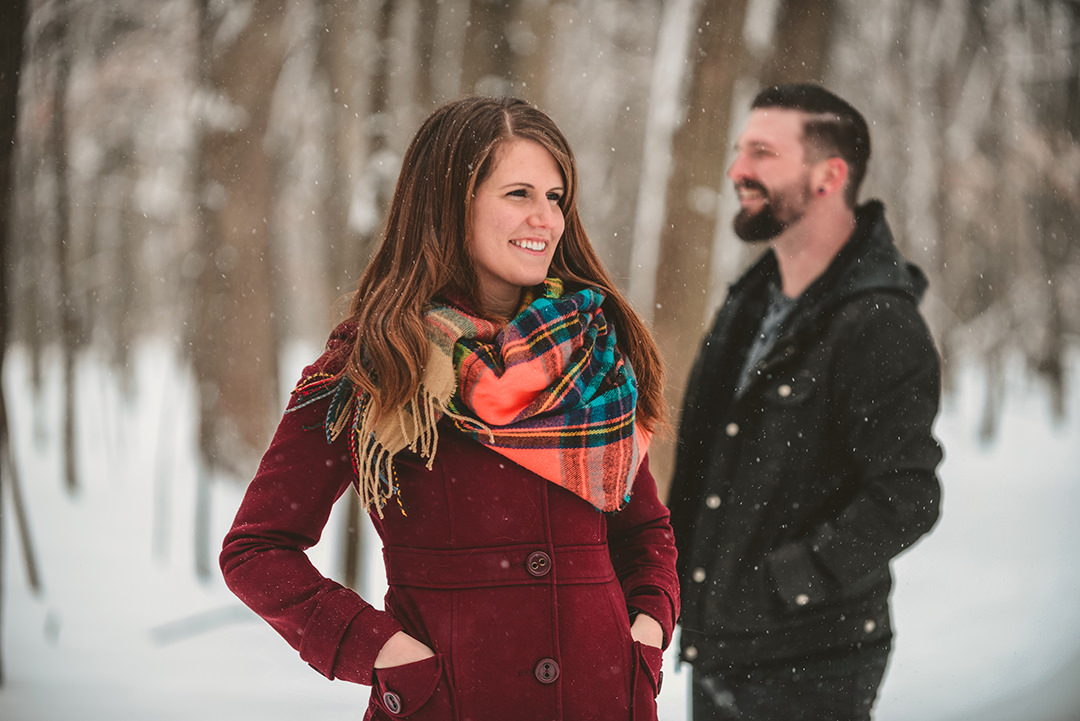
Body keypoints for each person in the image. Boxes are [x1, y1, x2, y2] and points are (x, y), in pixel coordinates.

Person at [220, 96, 679, 721]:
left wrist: (645, 635)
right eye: (518, 193)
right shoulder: (374, 364)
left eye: (556, 197)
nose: (544, 218)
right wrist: (381, 653)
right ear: (450, 203)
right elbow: (256, 548)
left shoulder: (591, 354)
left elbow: (643, 530)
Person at [667, 83, 943, 721]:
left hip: (809, 667)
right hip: (717, 648)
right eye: (739, 152)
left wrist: (787, 581)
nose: (738, 170)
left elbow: (907, 495)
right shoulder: (749, 304)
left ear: (829, 175)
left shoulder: (878, 320)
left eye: (761, 153)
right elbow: (709, 466)